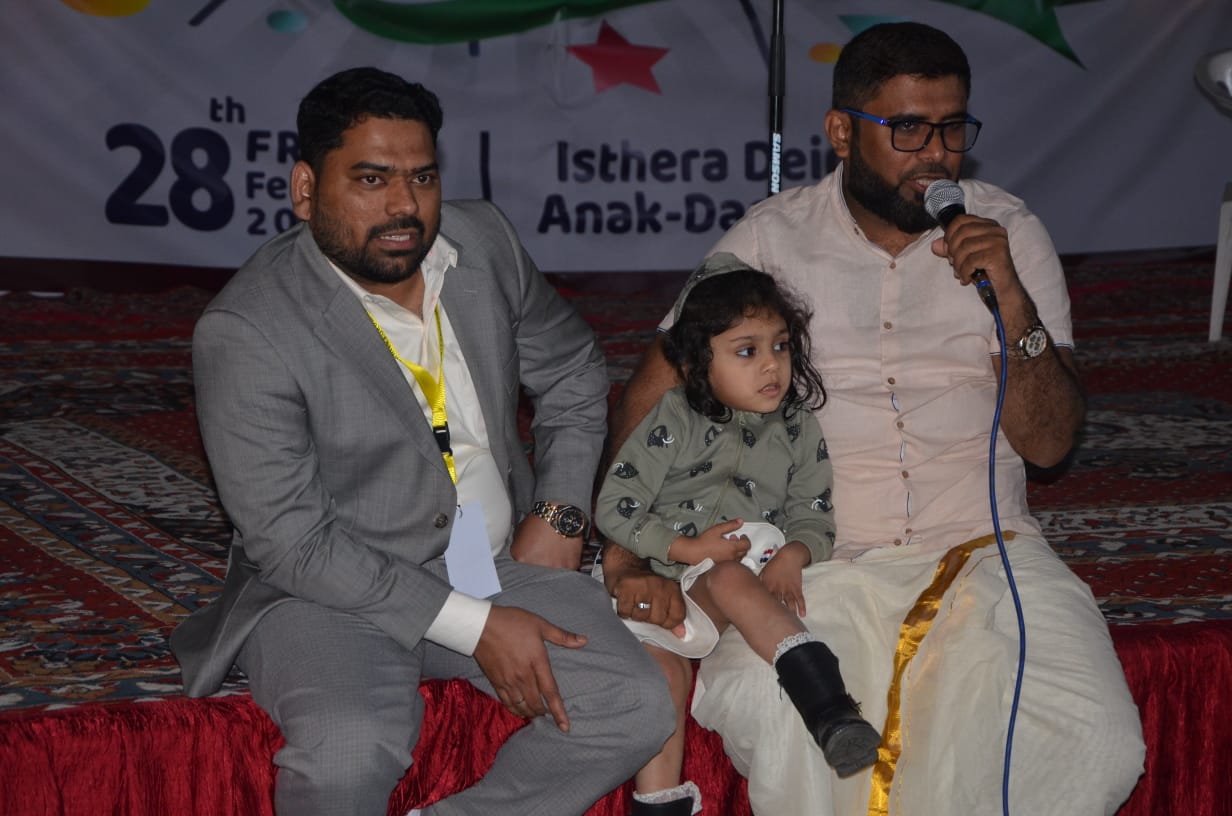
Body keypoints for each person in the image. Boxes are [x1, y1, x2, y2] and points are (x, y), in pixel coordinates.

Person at [600, 21, 1145, 816]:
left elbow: (1051, 444)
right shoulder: (770, 240)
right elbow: (652, 393)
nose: (936, 155)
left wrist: (1010, 298)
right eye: (909, 129)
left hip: (986, 551)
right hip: (816, 563)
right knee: (788, 724)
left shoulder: (1009, 234)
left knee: (1094, 741)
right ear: (842, 132)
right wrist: (624, 556)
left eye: (953, 128)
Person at [169, 66, 673, 816]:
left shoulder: (483, 244)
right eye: (371, 179)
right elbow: (292, 542)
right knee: (348, 749)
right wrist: (478, 625)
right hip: (330, 589)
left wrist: (562, 513)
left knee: (635, 702)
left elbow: (571, 367)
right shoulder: (248, 329)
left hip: (495, 562)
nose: (404, 205)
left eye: (422, 178)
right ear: (305, 189)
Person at [594, 255, 881, 814]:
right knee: (663, 678)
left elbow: (815, 514)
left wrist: (796, 552)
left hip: (727, 590)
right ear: (698, 364)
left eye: (781, 346)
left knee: (728, 577)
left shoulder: (797, 427)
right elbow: (615, 506)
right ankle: (658, 806)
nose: (772, 365)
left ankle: (833, 714)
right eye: (746, 351)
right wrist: (686, 548)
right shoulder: (674, 416)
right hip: (661, 588)